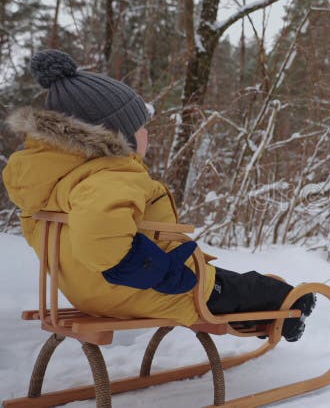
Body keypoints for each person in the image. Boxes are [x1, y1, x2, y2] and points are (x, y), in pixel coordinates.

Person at [2, 49, 313, 341]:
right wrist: (156, 270)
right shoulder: (110, 175)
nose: (147, 134)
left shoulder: (53, 183)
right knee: (244, 288)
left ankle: (265, 314)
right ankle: (290, 308)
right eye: (140, 127)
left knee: (225, 285)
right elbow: (99, 234)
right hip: (142, 288)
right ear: (114, 134)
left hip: (89, 290)